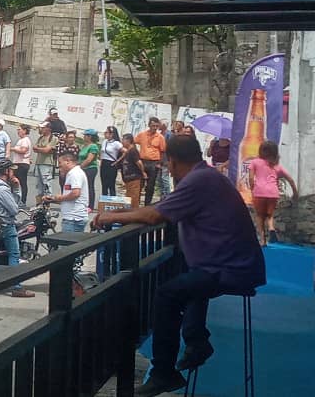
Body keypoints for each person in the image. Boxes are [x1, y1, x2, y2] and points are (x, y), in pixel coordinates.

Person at [92, 135, 266, 397]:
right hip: (229, 265)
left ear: (171, 161)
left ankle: (164, 372)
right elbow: (163, 207)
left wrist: (109, 217)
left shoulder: (198, 181)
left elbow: (154, 215)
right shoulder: (205, 177)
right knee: (191, 280)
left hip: (230, 269)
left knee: (168, 293)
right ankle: (197, 342)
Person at [0, 158, 36, 298]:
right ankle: (17, 287)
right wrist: (17, 188)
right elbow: (14, 209)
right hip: (5, 225)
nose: (13, 172)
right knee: (14, 254)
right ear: (6, 171)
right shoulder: (2, 189)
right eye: (11, 170)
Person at [249, 140, 299, 246]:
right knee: (269, 214)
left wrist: (252, 188)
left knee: (259, 215)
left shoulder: (255, 162)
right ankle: (271, 228)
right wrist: (295, 193)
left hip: (259, 192)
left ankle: (262, 239)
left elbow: (251, 178)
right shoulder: (277, 167)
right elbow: (290, 179)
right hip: (273, 193)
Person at [44, 152, 89, 232]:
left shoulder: (75, 173)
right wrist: (53, 199)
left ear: (68, 161)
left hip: (73, 219)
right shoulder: (72, 173)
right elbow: (70, 197)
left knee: (67, 244)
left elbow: (76, 193)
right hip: (72, 218)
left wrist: (60, 197)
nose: (59, 166)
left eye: (60, 162)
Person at [135, 117, 167, 206]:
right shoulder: (142, 135)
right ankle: (136, 204)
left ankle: (147, 204)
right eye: (153, 126)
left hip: (154, 163)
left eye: (157, 126)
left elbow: (163, 151)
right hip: (142, 161)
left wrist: (160, 163)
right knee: (139, 184)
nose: (155, 128)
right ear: (149, 125)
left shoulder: (160, 137)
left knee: (150, 186)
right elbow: (133, 142)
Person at [115, 134, 146, 208]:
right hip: (128, 179)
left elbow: (139, 163)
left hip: (134, 178)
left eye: (123, 140)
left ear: (128, 141)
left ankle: (135, 214)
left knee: (133, 199)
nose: (122, 142)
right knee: (129, 198)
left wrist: (143, 172)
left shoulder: (133, 151)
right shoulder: (127, 151)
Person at [32, 122, 58, 202]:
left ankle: (47, 201)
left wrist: (40, 149)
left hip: (47, 163)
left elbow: (47, 150)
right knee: (39, 184)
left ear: (49, 129)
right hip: (39, 162)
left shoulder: (53, 138)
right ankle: (39, 202)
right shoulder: (41, 138)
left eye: (43, 128)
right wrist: (42, 149)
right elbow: (34, 148)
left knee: (46, 182)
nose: (41, 129)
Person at [79, 129, 101, 211]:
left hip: (90, 168)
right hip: (83, 168)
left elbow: (89, 159)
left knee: (89, 186)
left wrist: (80, 167)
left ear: (90, 137)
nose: (84, 137)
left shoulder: (93, 146)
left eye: (85, 135)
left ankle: (90, 205)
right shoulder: (84, 146)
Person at [10, 125, 32, 205]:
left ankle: (23, 201)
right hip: (18, 163)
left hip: (22, 163)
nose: (18, 131)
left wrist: (12, 149)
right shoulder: (21, 140)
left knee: (22, 182)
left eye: (20, 129)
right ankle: (16, 199)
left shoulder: (25, 140)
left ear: (25, 131)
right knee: (15, 182)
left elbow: (23, 150)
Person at [99, 126, 123, 197]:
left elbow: (125, 152)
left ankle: (112, 200)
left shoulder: (116, 143)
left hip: (111, 164)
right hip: (104, 163)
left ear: (112, 134)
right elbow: (102, 152)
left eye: (106, 132)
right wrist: (101, 160)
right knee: (104, 183)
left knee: (111, 184)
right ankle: (104, 199)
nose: (105, 134)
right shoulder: (104, 141)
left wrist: (117, 161)